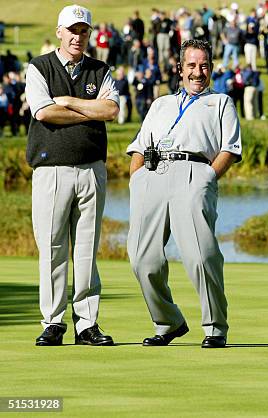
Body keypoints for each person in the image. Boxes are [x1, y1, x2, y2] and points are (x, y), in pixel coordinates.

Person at [126, 39, 242, 349]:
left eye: (203, 65)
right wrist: (135, 180)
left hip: (194, 173)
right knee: (142, 258)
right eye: (191, 65)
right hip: (152, 176)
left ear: (211, 68)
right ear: (180, 68)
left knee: (201, 256)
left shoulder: (221, 103)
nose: (197, 72)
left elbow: (230, 148)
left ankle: (216, 327)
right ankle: (168, 322)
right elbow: (139, 145)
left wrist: (207, 177)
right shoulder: (160, 104)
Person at [25, 4, 119, 346]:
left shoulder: (100, 69)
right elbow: (45, 112)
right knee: (52, 247)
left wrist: (69, 101)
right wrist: (87, 112)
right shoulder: (39, 68)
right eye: (72, 30)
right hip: (51, 169)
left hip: (92, 168)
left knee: (86, 248)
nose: (78, 37)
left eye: (83, 31)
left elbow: (111, 109)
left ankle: (87, 324)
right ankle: (53, 322)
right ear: (59, 32)